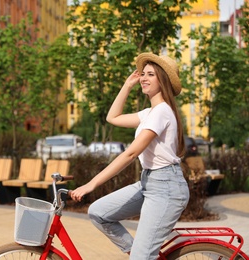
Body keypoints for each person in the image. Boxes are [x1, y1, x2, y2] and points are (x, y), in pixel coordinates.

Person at [70, 53, 190, 259]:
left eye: (150, 74)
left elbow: (131, 153)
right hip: (149, 183)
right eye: (143, 74)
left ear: (163, 80)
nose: (143, 78)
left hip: (167, 189)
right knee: (98, 213)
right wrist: (127, 86)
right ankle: (140, 254)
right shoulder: (149, 113)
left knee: (142, 256)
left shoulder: (162, 111)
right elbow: (112, 117)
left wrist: (92, 184)